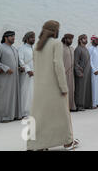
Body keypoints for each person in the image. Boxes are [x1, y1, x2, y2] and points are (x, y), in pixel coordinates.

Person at [26, 20, 79, 151]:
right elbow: (58, 66)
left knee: (40, 116)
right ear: (54, 31)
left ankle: (37, 145)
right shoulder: (56, 43)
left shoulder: (38, 45)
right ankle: (67, 142)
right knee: (62, 115)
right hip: (54, 87)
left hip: (39, 88)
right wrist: (63, 87)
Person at [0, 31, 23, 122]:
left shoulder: (14, 49)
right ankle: (1, 116)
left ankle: (12, 115)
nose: (13, 38)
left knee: (13, 96)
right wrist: (5, 68)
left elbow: (16, 63)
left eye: (14, 36)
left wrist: (19, 68)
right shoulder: (0, 48)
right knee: (3, 96)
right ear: (5, 37)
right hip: (4, 77)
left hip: (14, 78)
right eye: (11, 36)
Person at [18, 31, 35, 117]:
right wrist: (28, 70)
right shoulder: (22, 48)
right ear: (27, 38)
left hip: (34, 73)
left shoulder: (33, 48)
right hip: (26, 74)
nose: (33, 39)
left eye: (34, 37)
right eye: (32, 37)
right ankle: (23, 112)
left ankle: (31, 110)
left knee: (32, 92)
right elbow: (21, 60)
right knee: (25, 92)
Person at [74, 34, 93, 111]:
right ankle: (79, 105)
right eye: (84, 38)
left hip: (87, 73)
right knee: (80, 89)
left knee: (86, 89)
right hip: (81, 73)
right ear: (80, 40)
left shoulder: (85, 49)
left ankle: (86, 104)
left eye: (86, 38)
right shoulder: (78, 49)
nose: (86, 40)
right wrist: (78, 72)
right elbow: (75, 62)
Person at [62, 34, 76, 111]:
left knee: (71, 89)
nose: (70, 41)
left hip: (71, 73)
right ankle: (64, 108)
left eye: (71, 39)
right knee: (65, 90)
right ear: (65, 39)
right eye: (69, 39)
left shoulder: (72, 49)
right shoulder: (61, 48)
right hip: (64, 72)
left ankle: (71, 106)